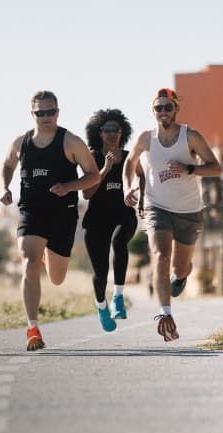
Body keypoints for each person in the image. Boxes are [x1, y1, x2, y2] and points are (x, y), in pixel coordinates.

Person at [0, 90, 101, 351]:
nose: (46, 117)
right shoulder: (21, 142)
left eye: (51, 111)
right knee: (29, 262)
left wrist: (69, 186)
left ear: (58, 111)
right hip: (31, 212)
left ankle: (48, 255)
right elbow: (8, 164)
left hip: (63, 215)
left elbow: (93, 176)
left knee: (56, 277)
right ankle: (32, 328)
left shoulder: (71, 142)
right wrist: (5, 187)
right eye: (40, 112)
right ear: (31, 114)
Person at [123, 88, 221, 342]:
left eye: (168, 107)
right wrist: (128, 187)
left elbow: (215, 168)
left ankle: (182, 275)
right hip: (157, 207)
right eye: (158, 108)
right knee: (160, 255)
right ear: (153, 111)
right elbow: (129, 163)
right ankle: (165, 313)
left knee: (179, 267)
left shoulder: (191, 136)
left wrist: (190, 167)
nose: (163, 112)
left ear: (176, 109)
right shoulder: (146, 138)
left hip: (189, 211)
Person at [82, 109, 138, 332]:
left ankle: (118, 297)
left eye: (116, 130)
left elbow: (142, 180)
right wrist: (104, 168)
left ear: (122, 133)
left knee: (118, 242)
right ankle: (101, 307)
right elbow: (86, 194)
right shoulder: (91, 157)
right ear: (99, 133)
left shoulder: (129, 157)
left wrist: (140, 198)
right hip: (96, 221)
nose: (112, 134)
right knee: (100, 272)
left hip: (124, 216)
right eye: (107, 130)